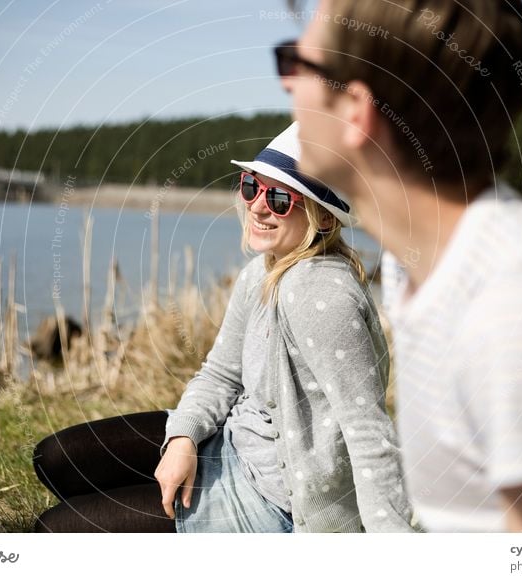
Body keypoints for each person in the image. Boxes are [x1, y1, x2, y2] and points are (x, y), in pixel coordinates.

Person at [276, 0, 522, 532]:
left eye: (299, 65)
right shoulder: (419, 270)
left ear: (354, 113)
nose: (286, 85)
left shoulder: (521, 313)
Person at [32, 122, 413, 533]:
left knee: (54, 530)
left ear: (322, 218)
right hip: (230, 442)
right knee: (56, 460)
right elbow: (221, 374)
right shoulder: (261, 272)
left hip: (269, 500)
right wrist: (184, 439)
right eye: (252, 186)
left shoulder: (322, 295)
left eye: (281, 198)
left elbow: (367, 430)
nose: (258, 206)